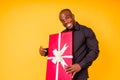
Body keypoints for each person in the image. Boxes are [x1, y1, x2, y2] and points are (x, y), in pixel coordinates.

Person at [39, 9, 99, 80]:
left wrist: (80, 65)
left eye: (67, 17)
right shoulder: (62, 34)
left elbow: (94, 51)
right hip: (64, 75)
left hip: (80, 76)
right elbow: (59, 52)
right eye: (63, 20)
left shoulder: (86, 31)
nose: (66, 21)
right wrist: (45, 51)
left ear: (73, 16)